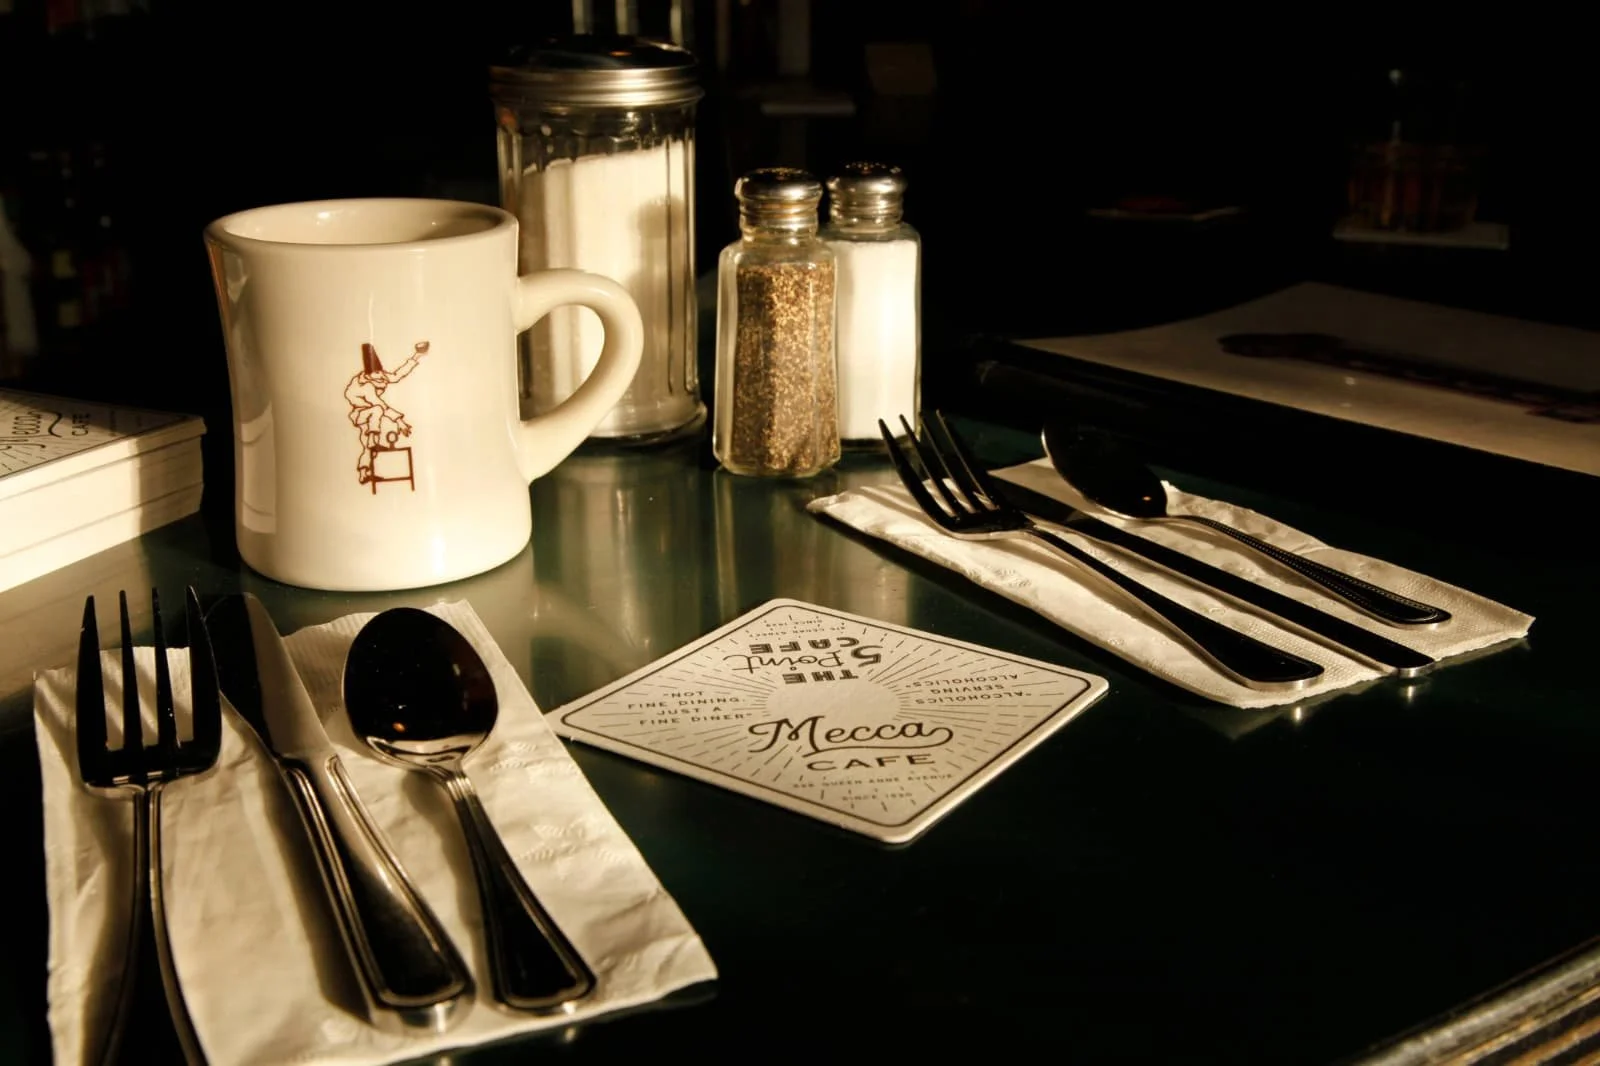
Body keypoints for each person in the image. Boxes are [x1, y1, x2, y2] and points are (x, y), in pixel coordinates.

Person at [345, 340, 429, 484]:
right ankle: (373, 439)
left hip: (371, 416)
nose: (380, 375)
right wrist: (399, 421)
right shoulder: (363, 386)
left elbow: (397, 375)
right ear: (368, 374)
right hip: (360, 414)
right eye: (375, 373)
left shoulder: (380, 376)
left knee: (366, 446)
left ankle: (364, 474)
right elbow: (380, 405)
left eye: (379, 371)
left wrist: (416, 356)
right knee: (377, 410)